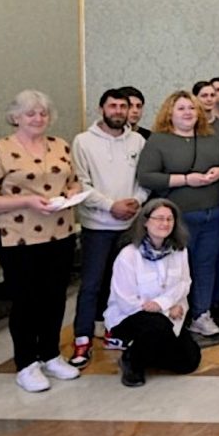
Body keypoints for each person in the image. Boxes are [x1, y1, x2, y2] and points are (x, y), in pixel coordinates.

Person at [0, 90, 83, 392]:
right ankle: (26, 362)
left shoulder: (60, 145)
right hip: (18, 238)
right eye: (31, 113)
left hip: (60, 233)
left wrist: (73, 193)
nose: (38, 118)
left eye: (43, 113)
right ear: (16, 117)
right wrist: (26, 201)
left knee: (55, 297)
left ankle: (50, 354)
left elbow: (73, 181)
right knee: (26, 301)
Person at [137, 91, 219, 337]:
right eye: (181, 108)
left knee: (205, 265)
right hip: (178, 219)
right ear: (169, 112)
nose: (188, 112)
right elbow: (146, 176)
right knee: (176, 268)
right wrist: (185, 179)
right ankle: (173, 313)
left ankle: (201, 313)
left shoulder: (211, 138)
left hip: (213, 215)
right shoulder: (159, 141)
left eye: (192, 108)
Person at [68, 88, 149, 368]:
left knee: (124, 283)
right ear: (101, 108)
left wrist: (136, 201)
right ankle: (82, 338)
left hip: (130, 224)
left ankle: (118, 330)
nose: (118, 111)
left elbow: (144, 180)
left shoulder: (137, 141)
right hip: (98, 225)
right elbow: (80, 184)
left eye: (123, 107)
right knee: (91, 283)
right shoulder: (83, 142)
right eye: (112, 106)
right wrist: (110, 205)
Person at [103, 199, 201, 387]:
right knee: (158, 326)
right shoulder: (129, 255)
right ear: (146, 222)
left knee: (189, 362)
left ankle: (150, 352)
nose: (164, 224)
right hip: (129, 315)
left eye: (169, 219)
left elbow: (184, 283)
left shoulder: (179, 251)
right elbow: (126, 300)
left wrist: (169, 304)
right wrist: (164, 308)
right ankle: (132, 360)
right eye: (159, 218)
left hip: (170, 313)